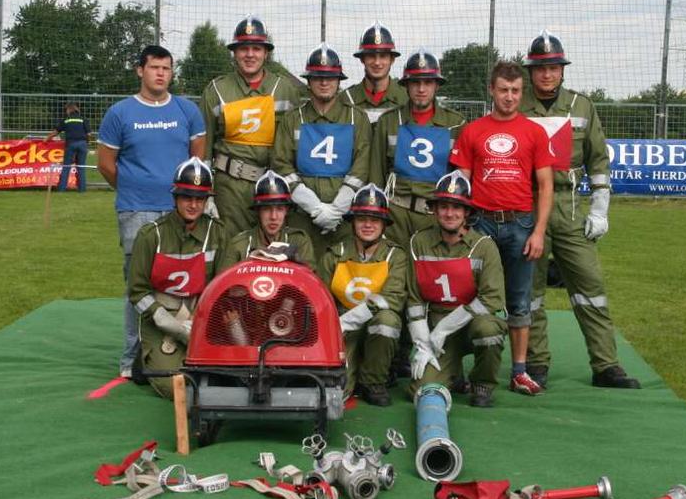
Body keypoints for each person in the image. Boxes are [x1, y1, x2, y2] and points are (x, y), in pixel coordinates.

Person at [519, 31, 640, 389]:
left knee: (591, 286)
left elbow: (598, 161)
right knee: (531, 290)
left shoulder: (582, 106)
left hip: (571, 206)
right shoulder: (515, 106)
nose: (547, 74)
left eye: (553, 67)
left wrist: (600, 208)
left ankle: (606, 365)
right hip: (528, 206)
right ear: (530, 72)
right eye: (540, 68)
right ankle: (536, 364)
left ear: (562, 70)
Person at [97, 45, 207, 379]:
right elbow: (105, 164)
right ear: (139, 70)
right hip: (136, 210)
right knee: (139, 284)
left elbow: (196, 160)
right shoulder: (120, 113)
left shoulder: (188, 111)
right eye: (155, 67)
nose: (161, 73)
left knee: (184, 283)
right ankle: (133, 359)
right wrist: (135, 187)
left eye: (167, 68)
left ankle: (187, 349)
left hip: (179, 211)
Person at [449, 61, 554, 396]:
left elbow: (546, 185)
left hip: (521, 223)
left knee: (519, 300)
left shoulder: (534, 132)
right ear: (491, 90)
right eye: (504, 90)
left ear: (522, 93)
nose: (509, 97)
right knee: (470, 297)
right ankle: (460, 369)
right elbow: (461, 182)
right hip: (481, 223)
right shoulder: (473, 130)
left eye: (516, 91)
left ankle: (519, 371)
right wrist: (462, 224)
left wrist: (538, 231)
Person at [127, 158, 228, 399]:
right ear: (175, 198)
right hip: (162, 318)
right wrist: (166, 322)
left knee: (224, 378)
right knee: (177, 386)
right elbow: (137, 292)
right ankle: (148, 354)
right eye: (186, 197)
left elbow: (221, 286)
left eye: (200, 199)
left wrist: (200, 320)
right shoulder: (151, 235)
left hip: (201, 316)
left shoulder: (218, 233)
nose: (193, 205)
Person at [406, 171, 507, 407]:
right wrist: (423, 344)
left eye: (457, 207)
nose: (449, 213)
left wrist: (445, 327)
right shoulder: (418, 242)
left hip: (471, 325)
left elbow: (492, 298)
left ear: (467, 212)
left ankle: (482, 384)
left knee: (489, 331)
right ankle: (454, 375)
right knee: (420, 391)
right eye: (443, 206)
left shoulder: (484, 247)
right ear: (435, 209)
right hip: (434, 332)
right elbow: (413, 297)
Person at [199, 15, 303, 234]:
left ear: (266, 53)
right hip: (230, 186)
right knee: (231, 251)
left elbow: (294, 145)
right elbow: (204, 146)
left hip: (273, 185)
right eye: (243, 48)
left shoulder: (284, 89)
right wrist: (205, 192)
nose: (250, 54)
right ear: (234, 53)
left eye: (256, 48)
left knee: (272, 253)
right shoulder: (216, 90)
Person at [272, 43, 372, 256]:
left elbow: (362, 165)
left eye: (330, 77)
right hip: (302, 216)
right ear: (309, 81)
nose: (324, 82)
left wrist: (337, 209)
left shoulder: (357, 118)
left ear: (339, 81)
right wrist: (313, 206)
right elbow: (281, 164)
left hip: (344, 219)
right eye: (317, 77)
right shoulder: (293, 118)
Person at [320, 184, 407, 406]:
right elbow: (319, 297)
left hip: (369, 323)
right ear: (353, 222)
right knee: (337, 392)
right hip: (341, 327)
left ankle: (374, 382)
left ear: (384, 224)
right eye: (361, 219)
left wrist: (349, 320)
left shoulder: (395, 256)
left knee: (387, 321)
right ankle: (352, 376)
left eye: (375, 220)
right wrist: (335, 324)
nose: (368, 225)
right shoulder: (334, 253)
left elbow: (393, 298)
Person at [370, 48, 466, 249]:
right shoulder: (388, 121)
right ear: (406, 85)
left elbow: (462, 176)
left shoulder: (455, 124)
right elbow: (376, 175)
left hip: (435, 216)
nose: (421, 89)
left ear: (437, 85)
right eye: (415, 82)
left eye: (428, 82)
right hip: (395, 214)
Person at [216, 169, 316, 272]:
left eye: (279, 209)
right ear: (258, 211)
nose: (273, 217)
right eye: (267, 209)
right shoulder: (239, 246)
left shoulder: (299, 242)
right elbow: (224, 284)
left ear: (286, 211)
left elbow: (308, 283)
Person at [339, 22, 408, 124]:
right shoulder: (346, 99)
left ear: (392, 59)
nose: (377, 62)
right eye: (371, 55)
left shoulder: (406, 98)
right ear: (362, 59)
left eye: (383, 56)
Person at [46, 103, 90, 192]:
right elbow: (89, 134)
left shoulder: (66, 120)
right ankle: (82, 190)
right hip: (82, 144)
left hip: (71, 144)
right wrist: (86, 142)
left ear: (68, 110)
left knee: (66, 167)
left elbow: (55, 132)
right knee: (81, 167)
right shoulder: (83, 120)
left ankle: (62, 189)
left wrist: (46, 138)